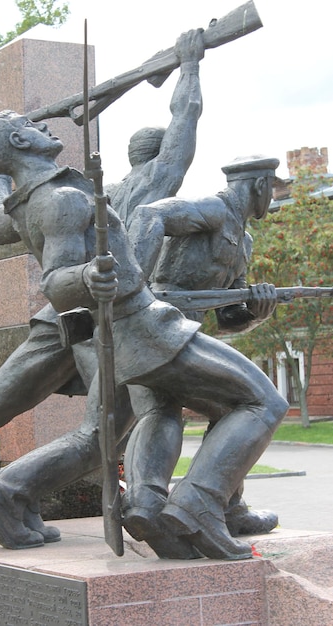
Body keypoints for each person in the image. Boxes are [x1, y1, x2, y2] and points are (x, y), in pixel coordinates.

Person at [0, 30, 207, 554]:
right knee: (106, 429)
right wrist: (189, 68)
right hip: (103, 321)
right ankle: (9, 493)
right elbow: (183, 134)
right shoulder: (131, 190)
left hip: (62, 318)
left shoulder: (41, 197)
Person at [0, 108, 288, 561]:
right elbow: (56, 282)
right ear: (19, 143)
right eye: (31, 125)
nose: (44, 125)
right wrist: (90, 275)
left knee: (106, 432)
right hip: (142, 324)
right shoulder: (61, 199)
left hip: (130, 326)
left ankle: (33, 494)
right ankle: (198, 504)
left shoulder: (50, 194)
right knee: (263, 401)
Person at [124, 154, 283, 538]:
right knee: (244, 403)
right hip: (158, 327)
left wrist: (255, 311)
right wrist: (135, 289)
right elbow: (149, 215)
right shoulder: (212, 210)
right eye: (272, 188)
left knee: (214, 407)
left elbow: (228, 317)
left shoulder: (242, 239)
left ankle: (156, 505)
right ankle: (210, 505)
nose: (273, 198)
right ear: (260, 186)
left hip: (181, 337)